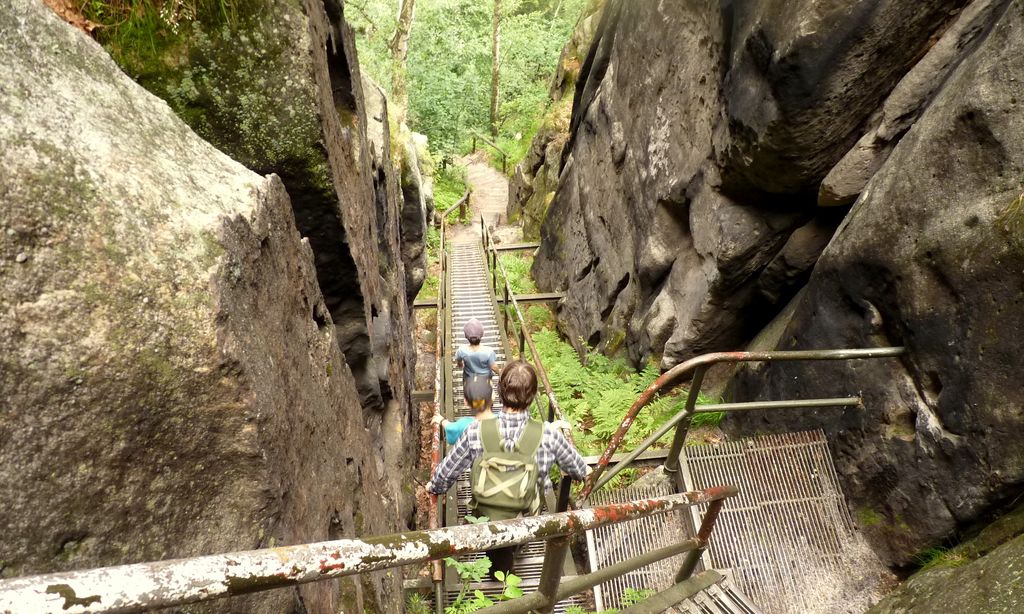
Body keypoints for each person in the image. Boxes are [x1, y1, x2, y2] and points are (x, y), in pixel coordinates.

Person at [427, 360, 589, 580]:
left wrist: (434, 486)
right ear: (533, 396)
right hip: (527, 520)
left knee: (495, 542)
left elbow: (446, 473)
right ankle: (516, 552)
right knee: (523, 525)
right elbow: (578, 469)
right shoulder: (548, 434)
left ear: (499, 391)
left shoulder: (476, 430)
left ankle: (498, 569)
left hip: (487, 518)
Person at [432, 376, 494, 445]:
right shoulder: (502, 419)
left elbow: (452, 429)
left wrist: (442, 421)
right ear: (492, 397)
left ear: (466, 402)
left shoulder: (465, 425)